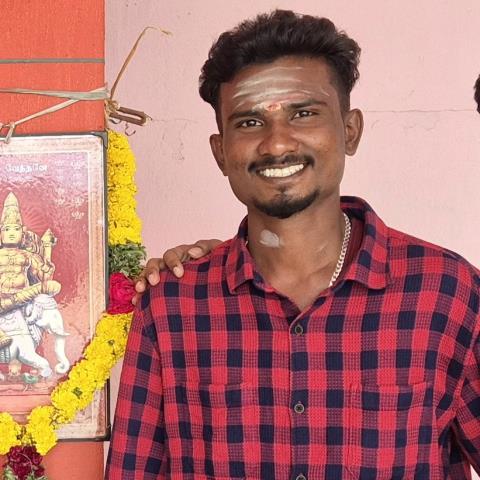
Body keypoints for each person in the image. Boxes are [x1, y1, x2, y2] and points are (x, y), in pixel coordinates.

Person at [106, 10, 480, 479]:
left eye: (303, 114)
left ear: (350, 130)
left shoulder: (448, 293)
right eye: (249, 122)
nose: (277, 144)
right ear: (220, 152)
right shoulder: (171, 306)